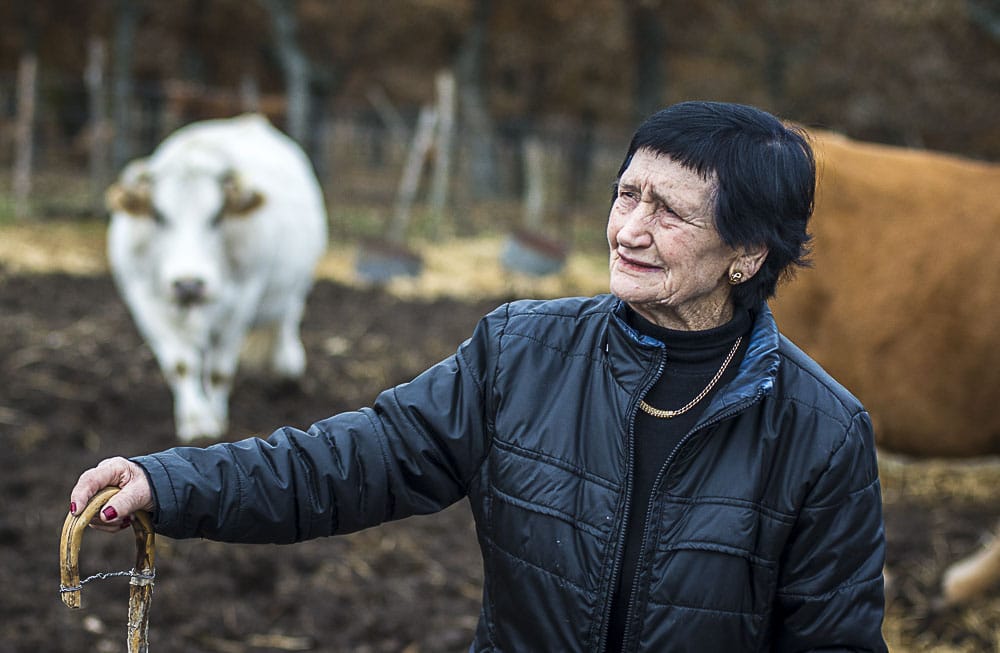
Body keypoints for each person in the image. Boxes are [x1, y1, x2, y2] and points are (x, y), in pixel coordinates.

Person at [69, 101, 888, 652]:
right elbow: (350, 462)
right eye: (626, 195)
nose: (629, 229)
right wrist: (168, 481)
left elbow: (834, 638)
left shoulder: (819, 430)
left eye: (669, 211)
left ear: (748, 253)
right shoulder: (521, 353)